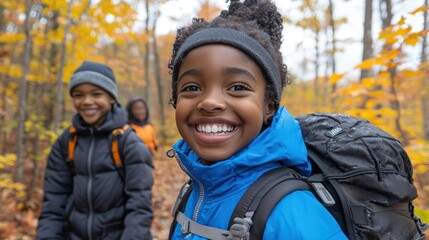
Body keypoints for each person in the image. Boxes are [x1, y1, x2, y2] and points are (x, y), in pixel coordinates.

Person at [166, 0, 347, 239]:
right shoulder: (196, 189)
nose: (209, 102)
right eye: (192, 87)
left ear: (269, 106)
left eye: (238, 87)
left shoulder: (290, 212)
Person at [36, 61, 154, 240]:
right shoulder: (66, 142)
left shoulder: (128, 142)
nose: (86, 101)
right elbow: (54, 203)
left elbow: (139, 206)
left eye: (96, 94)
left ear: (112, 98)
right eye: (78, 95)